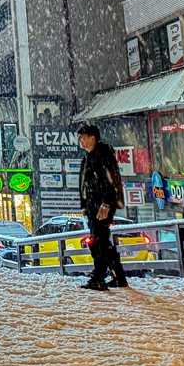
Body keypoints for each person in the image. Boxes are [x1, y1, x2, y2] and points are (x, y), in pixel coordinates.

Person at [77, 124, 127, 291]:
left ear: (93, 138)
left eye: (82, 137)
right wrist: (85, 205)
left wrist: (106, 203)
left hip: (101, 205)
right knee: (101, 240)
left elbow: (110, 181)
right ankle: (117, 276)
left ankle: (99, 276)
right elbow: (86, 185)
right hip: (94, 205)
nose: (80, 141)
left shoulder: (102, 155)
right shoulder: (89, 157)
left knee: (99, 241)